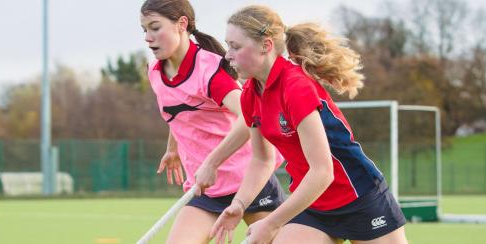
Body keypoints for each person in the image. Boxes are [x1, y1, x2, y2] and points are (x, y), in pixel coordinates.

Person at [210, 5, 408, 244]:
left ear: (266, 46)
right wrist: (239, 205)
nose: (227, 55)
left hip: (360, 197)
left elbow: (323, 171)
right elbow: (262, 160)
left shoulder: (295, 87)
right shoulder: (250, 94)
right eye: (228, 45)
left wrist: (272, 223)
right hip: (312, 203)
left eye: (235, 46)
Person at [139, 1, 286, 243]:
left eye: (155, 28)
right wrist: (172, 148)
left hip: (248, 180)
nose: (148, 37)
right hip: (205, 188)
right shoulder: (155, 72)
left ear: (181, 24)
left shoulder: (209, 71)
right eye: (144, 30)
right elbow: (178, 110)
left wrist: (212, 162)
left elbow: (251, 116)